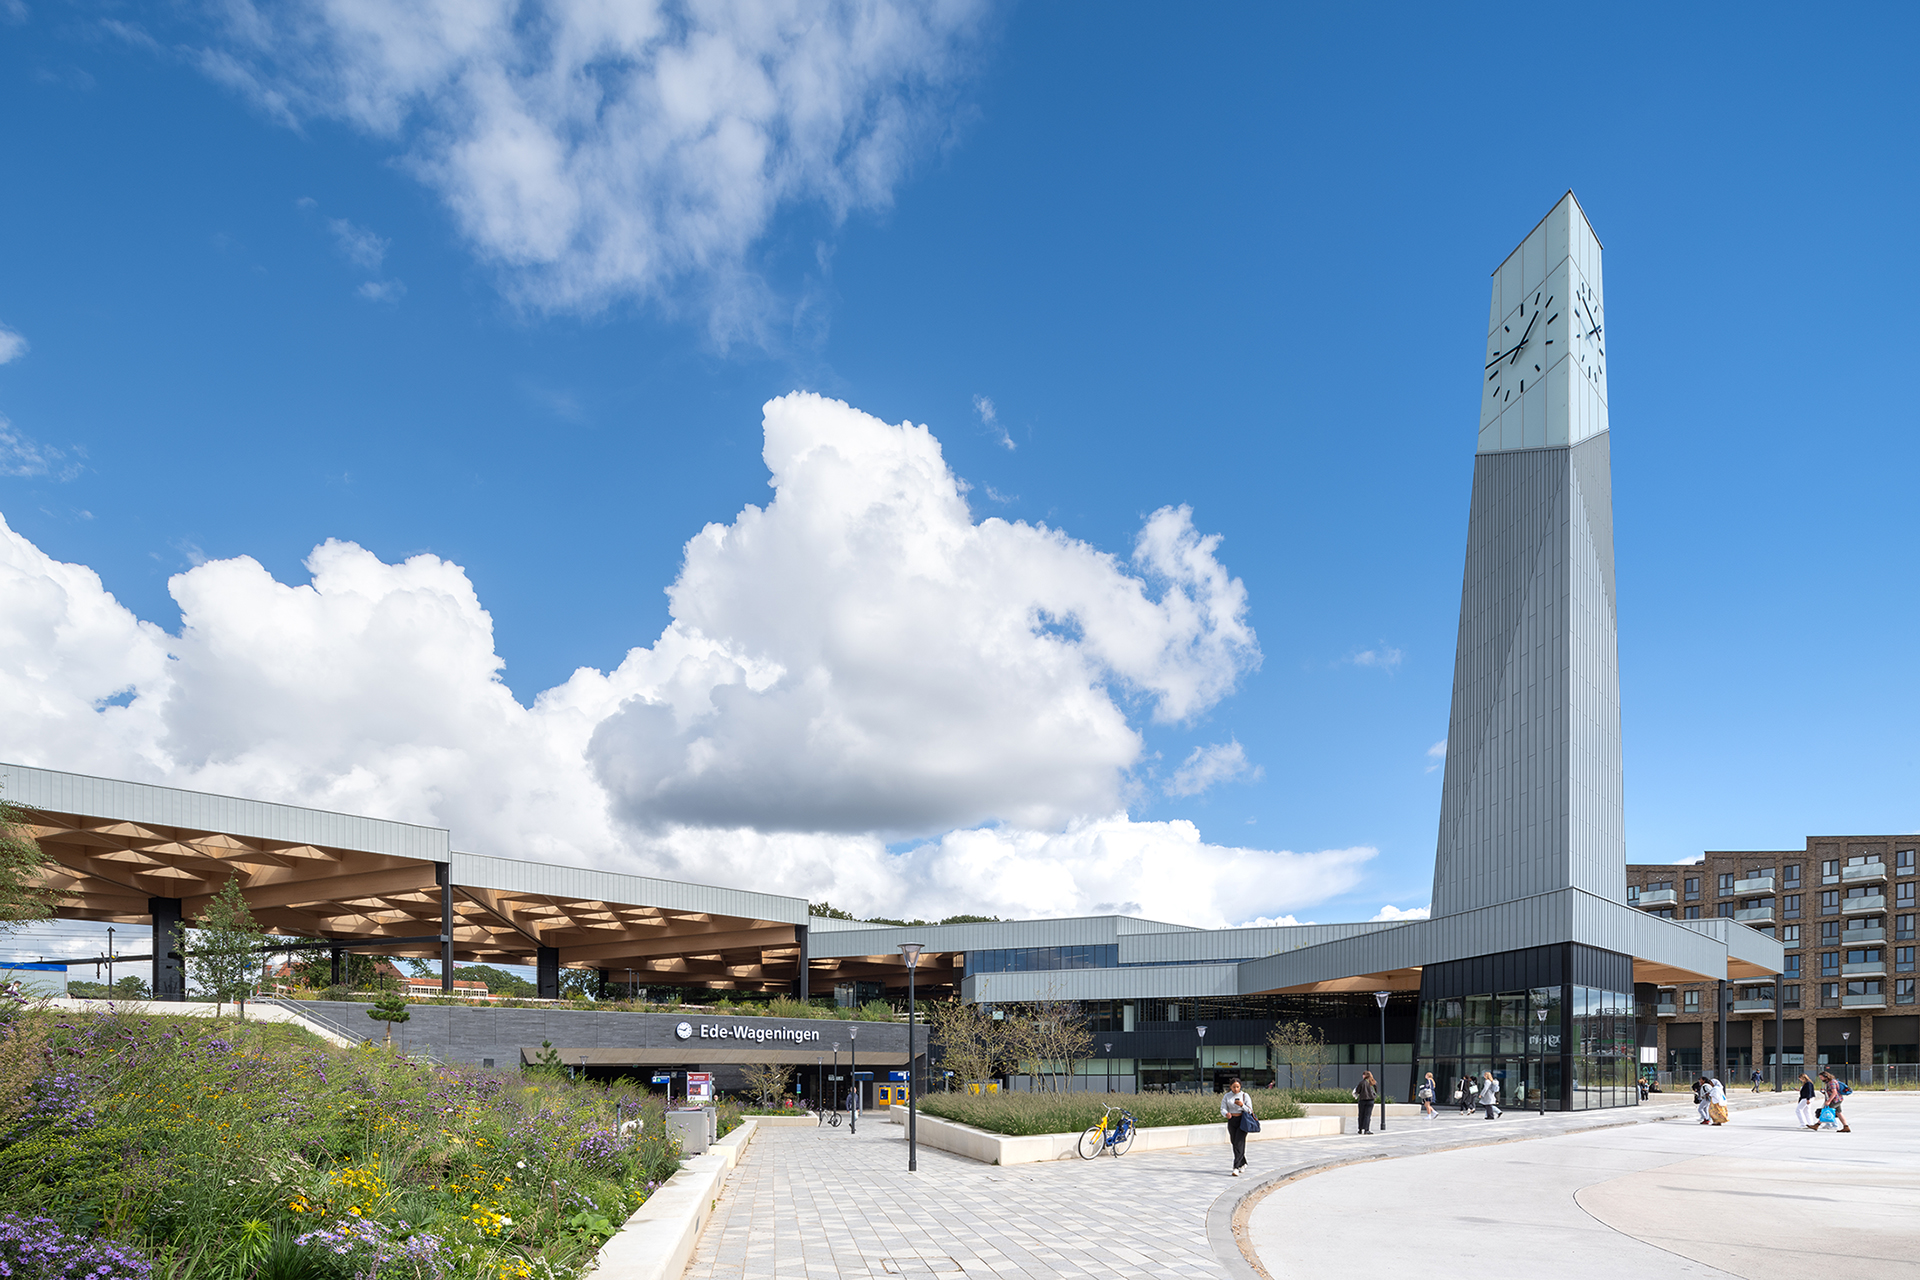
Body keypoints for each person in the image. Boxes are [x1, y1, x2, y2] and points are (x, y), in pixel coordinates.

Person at [1221, 1075, 1255, 1175]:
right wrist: (1226, 1114)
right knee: (1234, 1142)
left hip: (1242, 1120)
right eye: (1234, 1087)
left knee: (1239, 1142)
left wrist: (1242, 1105)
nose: (1236, 1089)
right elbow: (1223, 1108)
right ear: (1230, 1087)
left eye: (1237, 1087)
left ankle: (1236, 1167)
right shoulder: (1227, 1096)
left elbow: (1250, 1110)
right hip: (1232, 1120)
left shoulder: (1245, 1096)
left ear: (1240, 1087)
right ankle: (1243, 1163)